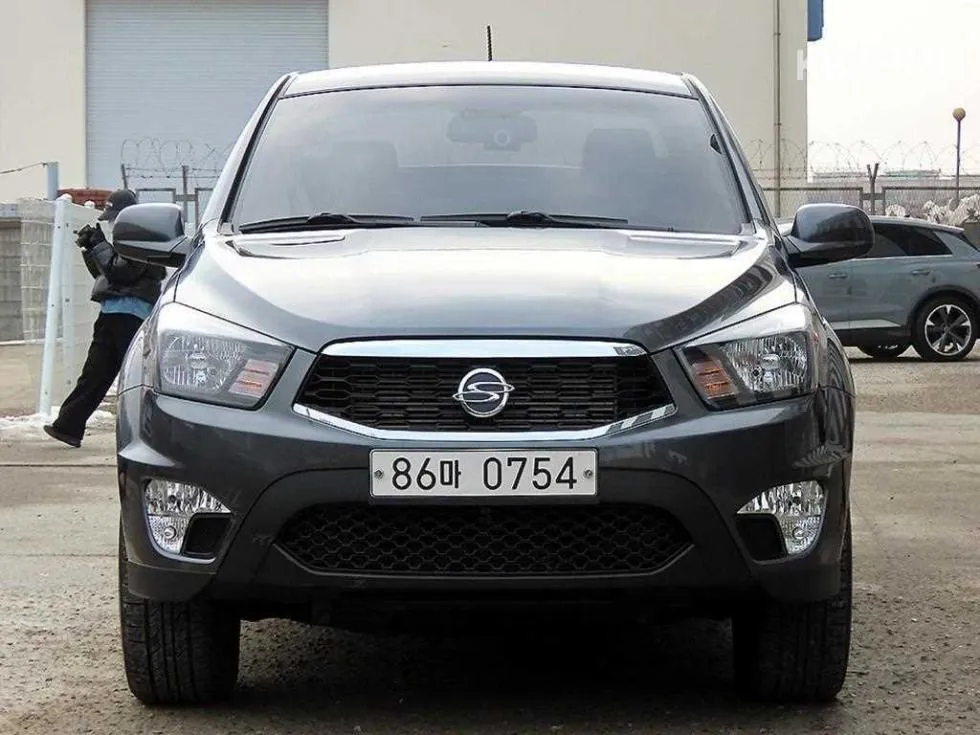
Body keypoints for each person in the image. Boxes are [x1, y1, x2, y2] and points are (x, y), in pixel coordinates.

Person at [43, 189, 167, 448]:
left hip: (130, 317)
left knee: (138, 379)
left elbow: (121, 272)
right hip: (112, 315)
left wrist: (99, 245)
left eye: (116, 217)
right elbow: (104, 274)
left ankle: (160, 432)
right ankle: (68, 426)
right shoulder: (126, 241)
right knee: (95, 374)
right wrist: (90, 248)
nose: (112, 223)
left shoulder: (141, 240)